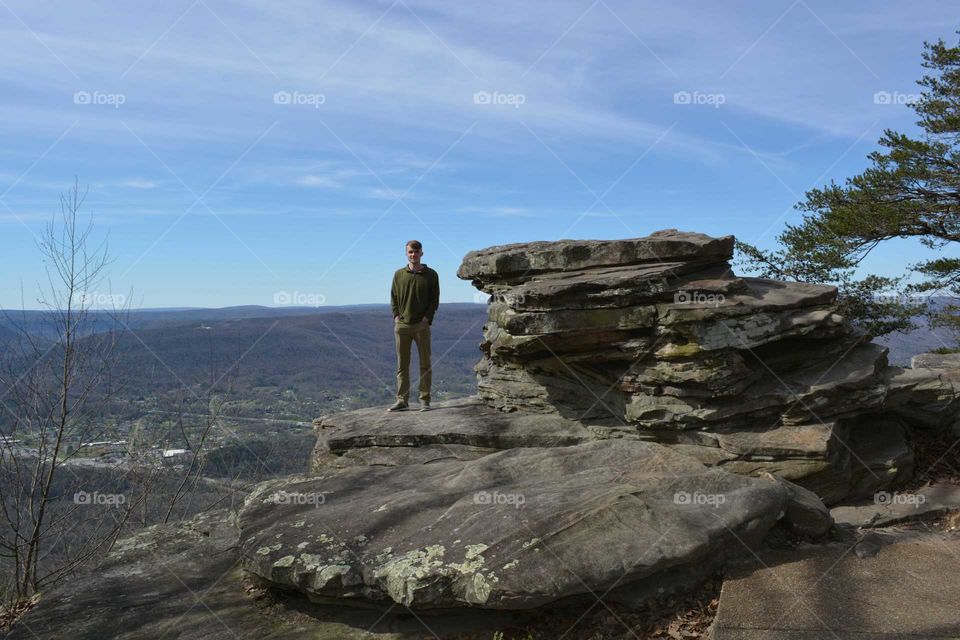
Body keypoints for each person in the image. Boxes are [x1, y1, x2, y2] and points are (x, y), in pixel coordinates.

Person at [388, 240, 439, 412]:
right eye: (410, 252)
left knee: (425, 363)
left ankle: (424, 400)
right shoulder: (399, 274)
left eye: (416, 252)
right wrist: (396, 316)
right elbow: (393, 297)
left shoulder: (431, 274)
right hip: (402, 325)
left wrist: (426, 319)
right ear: (406, 253)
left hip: (421, 325)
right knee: (402, 365)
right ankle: (402, 400)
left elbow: (434, 300)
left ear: (421, 253)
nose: (413, 255)